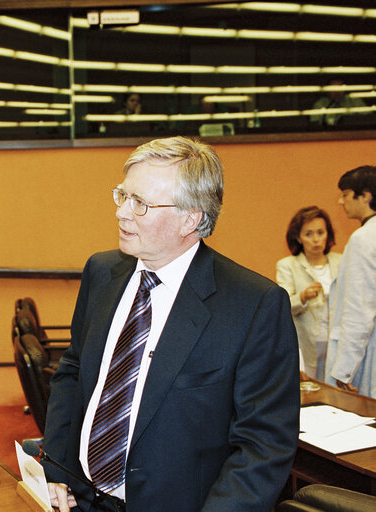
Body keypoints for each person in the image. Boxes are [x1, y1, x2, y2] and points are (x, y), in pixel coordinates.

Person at [42, 136, 299, 512]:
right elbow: (74, 371)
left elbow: (263, 445)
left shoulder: (254, 305)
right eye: (123, 196)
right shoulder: (102, 272)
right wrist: (57, 469)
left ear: (190, 219)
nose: (122, 213)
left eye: (141, 203)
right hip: (79, 500)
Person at [326, 165, 376, 397]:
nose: (340, 201)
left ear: (365, 196)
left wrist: (344, 369)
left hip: (368, 356)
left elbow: (359, 309)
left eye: (345, 194)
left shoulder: (364, 239)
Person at [276, 206, 341, 380]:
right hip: (306, 342)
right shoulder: (287, 265)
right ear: (298, 237)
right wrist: (303, 297)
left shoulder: (340, 261)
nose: (316, 240)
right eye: (309, 234)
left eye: (320, 232)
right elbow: (283, 306)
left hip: (338, 340)